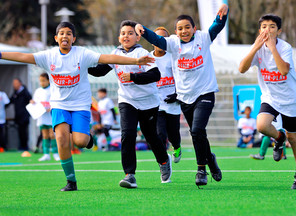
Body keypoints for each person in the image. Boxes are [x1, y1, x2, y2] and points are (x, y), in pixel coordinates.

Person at [0, 21, 155, 191]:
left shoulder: (82, 54)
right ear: (56, 38)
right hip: (59, 104)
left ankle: (88, 139)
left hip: (80, 104)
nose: (65, 36)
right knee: (61, 139)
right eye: (62, 33)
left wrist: (135, 60)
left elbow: (108, 58)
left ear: (74, 38)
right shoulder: (49, 56)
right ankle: (71, 181)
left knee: (80, 142)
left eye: (68, 33)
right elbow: (23, 57)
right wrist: (1, 54)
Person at [135, 4, 228, 187]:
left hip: (205, 92)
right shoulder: (172, 43)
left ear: (194, 28)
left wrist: (222, 15)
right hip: (185, 97)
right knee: (198, 133)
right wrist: (143, 30)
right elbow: (157, 40)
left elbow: (216, 27)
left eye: (187, 27)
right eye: (180, 28)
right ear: (176, 32)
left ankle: (201, 169)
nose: (184, 31)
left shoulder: (203, 37)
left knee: (197, 130)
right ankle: (210, 159)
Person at [88, 20, 172, 189]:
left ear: (137, 37)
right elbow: (99, 71)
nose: (126, 35)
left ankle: (164, 160)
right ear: (119, 37)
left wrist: (134, 78)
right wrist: (81, 66)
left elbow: (156, 75)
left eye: (130, 33)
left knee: (150, 136)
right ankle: (129, 175)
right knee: (128, 135)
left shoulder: (143, 53)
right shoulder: (114, 54)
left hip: (148, 101)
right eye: (123, 33)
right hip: (127, 101)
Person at [239, 14, 296, 189]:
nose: (267, 30)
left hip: (290, 98)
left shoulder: (285, 48)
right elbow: (242, 68)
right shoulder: (258, 48)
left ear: (279, 31)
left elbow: (284, 70)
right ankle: (278, 137)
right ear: (259, 30)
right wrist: (255, 47)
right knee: (261, 126)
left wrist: (272, 48)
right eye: (263, 27)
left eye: (271, 27)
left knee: (293, 136)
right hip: (270, 96)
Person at [151, 26, 182, 163]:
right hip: (156, 104)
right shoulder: (147, 58)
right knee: (160, 134)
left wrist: (177, 94)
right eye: (157, 38)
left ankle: (177, 147)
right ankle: (164, 160)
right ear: (152, 41)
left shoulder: (173, 57)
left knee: (173, 134)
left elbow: (181, 78)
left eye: (164, 39)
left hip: (172, 103)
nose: (160, 41)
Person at [30, 73, 60, 161]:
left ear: (48, 81)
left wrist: (51, 107)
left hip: (50, 116)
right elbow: (35, 102)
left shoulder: (52, 90)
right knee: (44, 135)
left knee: (52, 134)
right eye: (40, 81)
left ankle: (55, 153)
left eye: (44, 81)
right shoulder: (38, 91)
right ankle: (46, 154)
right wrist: (32, 102)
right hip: (41, 116)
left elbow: (56, 101)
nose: (42, 83)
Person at [6, 78, 32, 151]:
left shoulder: (25, 92)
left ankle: (25, 146)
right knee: (20, 132)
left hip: (25, 116)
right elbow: (9, 101)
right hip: (18, 116)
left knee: (24, 132)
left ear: (20, 83)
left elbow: (30, 101)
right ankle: (21, 146)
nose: (14, 85)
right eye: (13, 84)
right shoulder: (15, 93)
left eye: (16, 83)